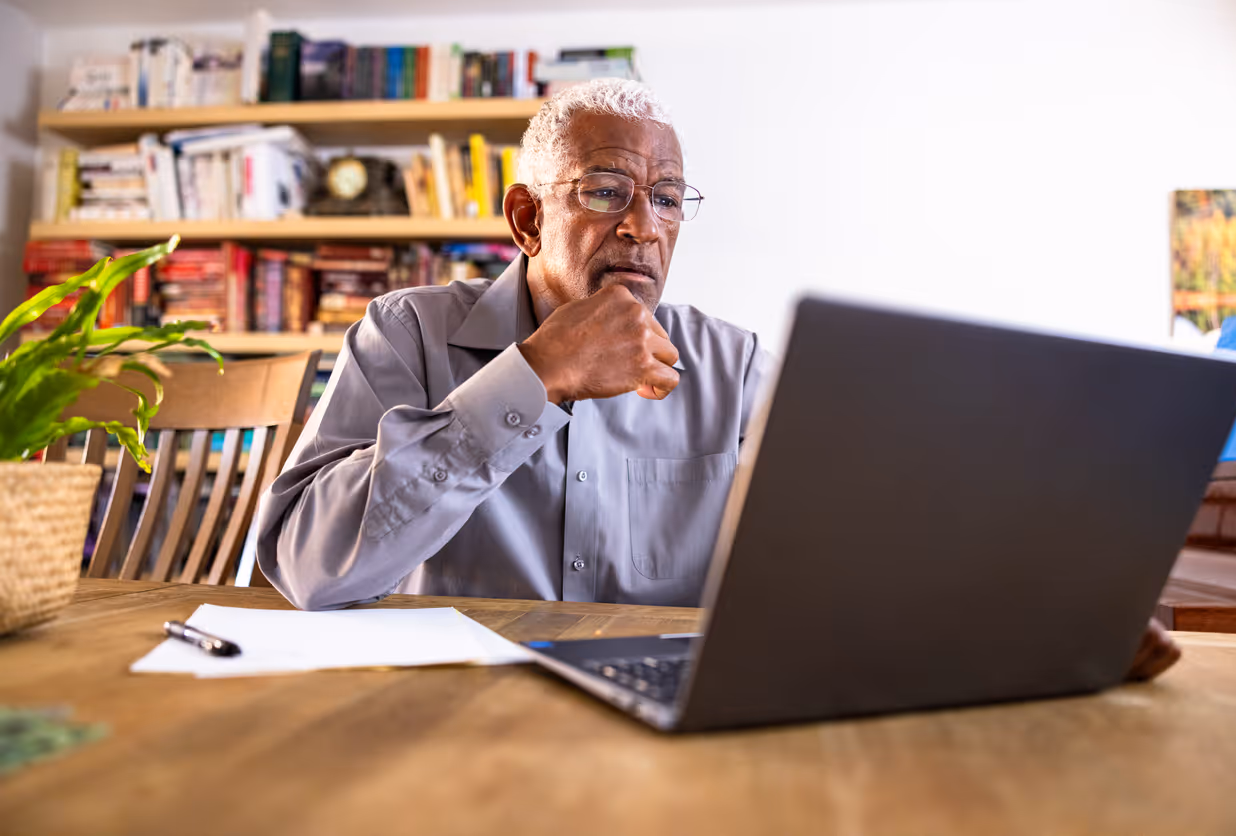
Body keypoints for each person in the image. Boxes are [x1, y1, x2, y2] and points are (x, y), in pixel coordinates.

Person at [255, 79, 1179, 682]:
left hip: (659, 720)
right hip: (440, 716)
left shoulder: (732, 366)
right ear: (528, 218)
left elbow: (851, 550)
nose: (642, 228)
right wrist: (533, 377)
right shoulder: (408, 331)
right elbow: (304, 564)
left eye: (665, 198)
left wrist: (1051, 613)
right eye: (607, 190)